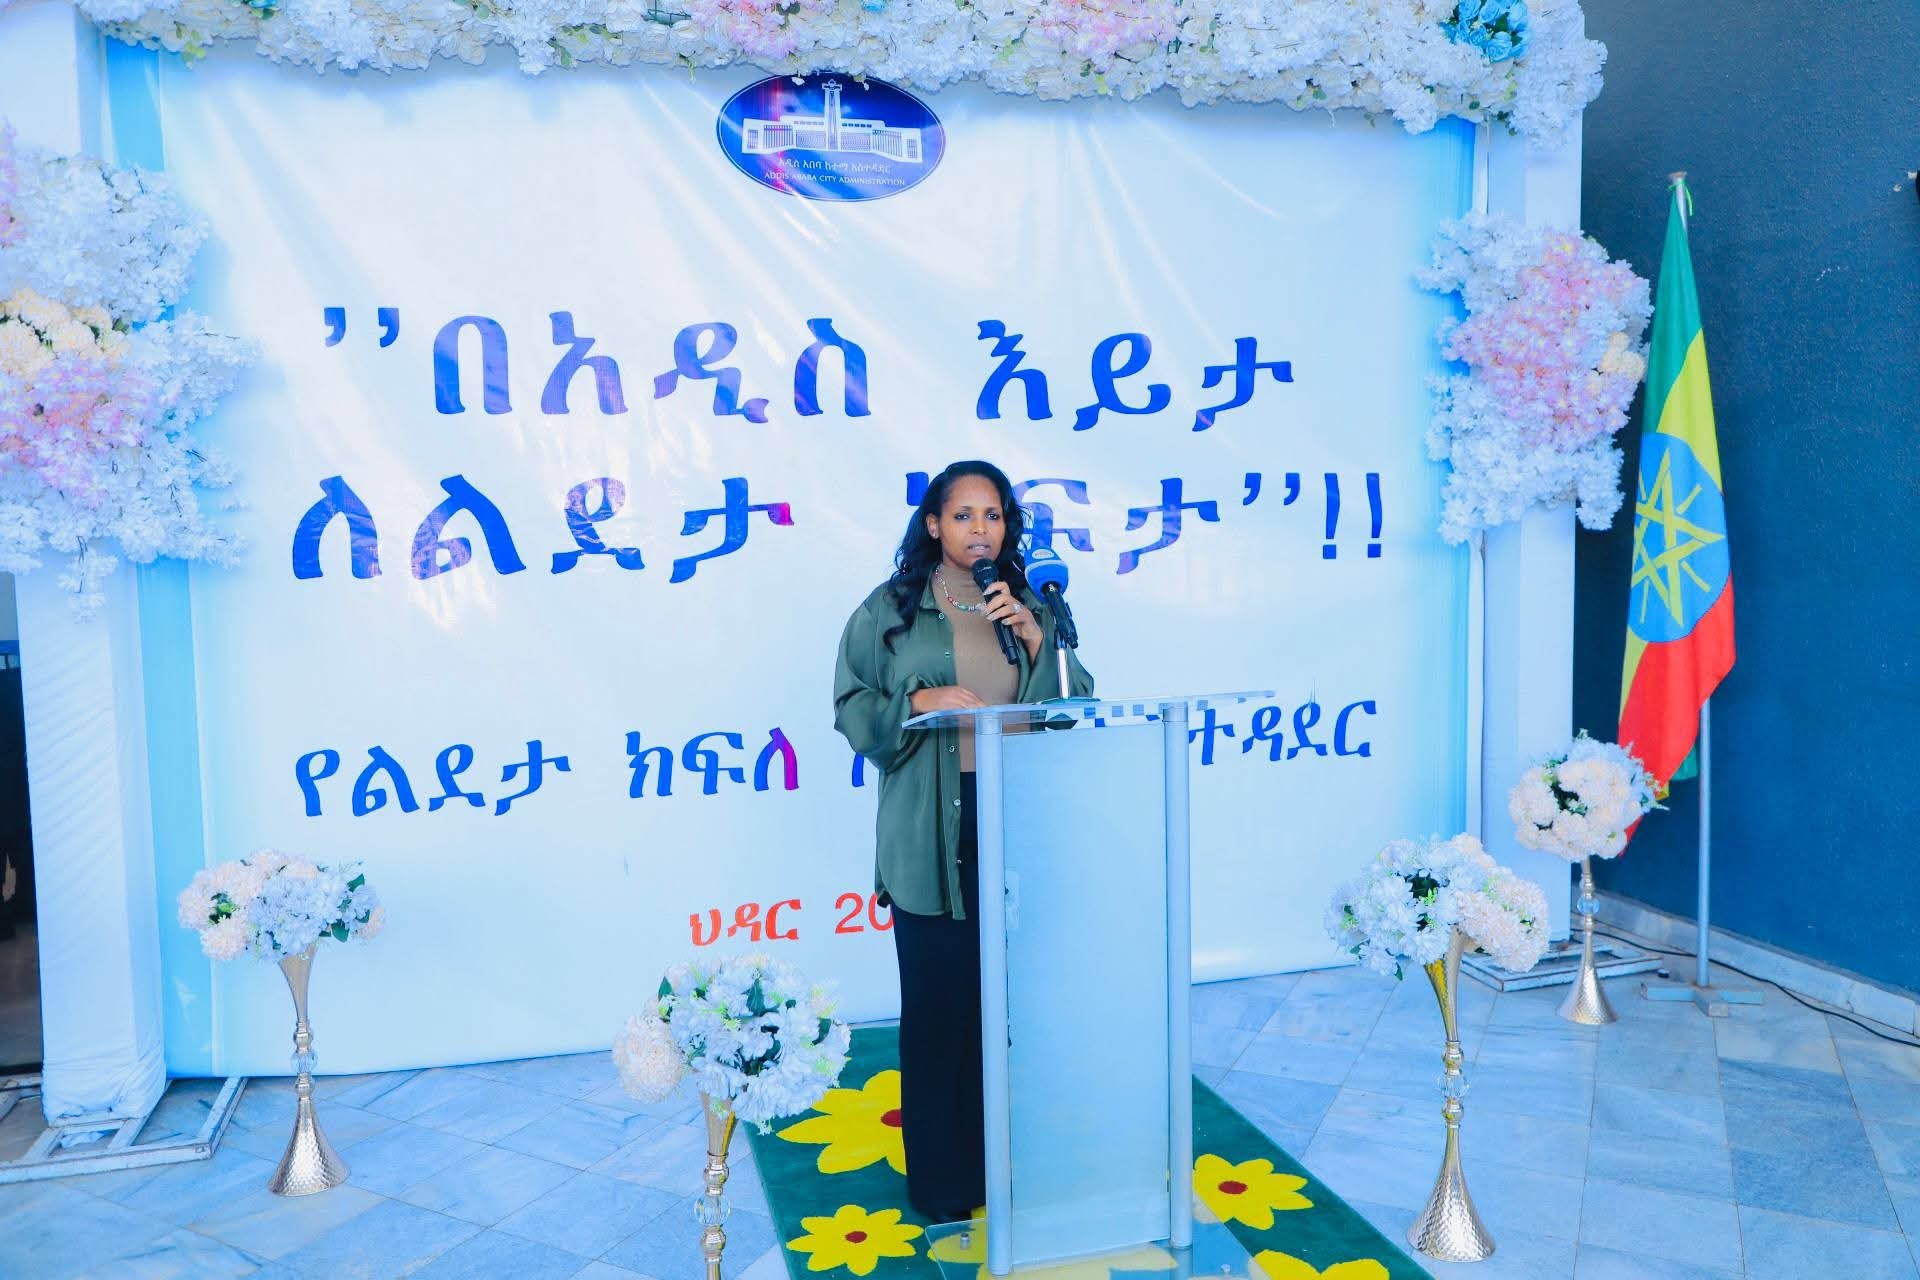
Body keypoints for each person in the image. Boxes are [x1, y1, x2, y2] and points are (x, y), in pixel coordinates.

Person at [832, 459, 1094, 1223]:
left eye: (994, 516)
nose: (981, 530)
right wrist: (920, 699)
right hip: (929, 828)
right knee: (940, 1008)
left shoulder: (1029, 605)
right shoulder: (889, 609)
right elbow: (852, 708)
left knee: (1008, 1007)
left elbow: (1075, 707)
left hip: (1017, 826)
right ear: (933, 524)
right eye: (964, 515)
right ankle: (944, 1184)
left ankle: (1003, 1166)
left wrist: (1039, 642)